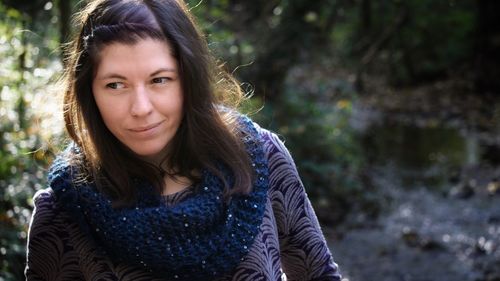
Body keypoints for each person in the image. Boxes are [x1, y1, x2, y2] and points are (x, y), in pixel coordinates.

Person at [25, 0, 342, 280]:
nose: (141, 108)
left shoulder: (261, 157)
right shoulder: (65, 210)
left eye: (159, 80)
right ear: (88, 92)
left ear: (189, 78)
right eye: (115, 85)